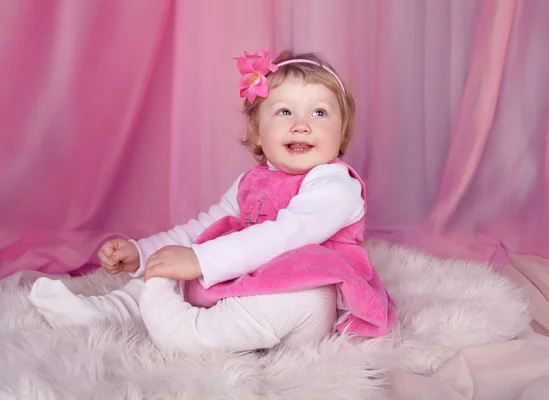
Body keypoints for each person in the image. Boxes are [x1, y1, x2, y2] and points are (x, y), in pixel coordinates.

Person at [28, 49, 397, 354]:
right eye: (285, 111)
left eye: (319, 112)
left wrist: (201, 261)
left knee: (307, 297)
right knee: (171, 269)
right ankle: (107, 312)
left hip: (306, 303)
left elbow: (285, 235)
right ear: (257, 130)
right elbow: (202, 228)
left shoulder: (334, 184)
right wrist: (144, 253)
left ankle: (193, 335)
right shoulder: (251, 183)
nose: (302, 124)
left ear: (341, 131)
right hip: (245, 279)